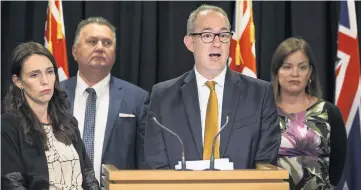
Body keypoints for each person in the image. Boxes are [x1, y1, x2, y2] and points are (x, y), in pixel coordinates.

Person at [144, 4, 281, 169]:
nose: (217, 43)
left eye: (223, 35)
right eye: (207, 35)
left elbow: (265, 163)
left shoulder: (260, 94)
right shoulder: (163, 96)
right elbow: (156, 164)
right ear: (190, 43)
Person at [60, 17, 150, 181]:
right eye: (92, 41)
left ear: (114, 54)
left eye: (107, 43)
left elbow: (145, 162)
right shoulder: (54, 95)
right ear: (74, 51)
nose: (100, 48)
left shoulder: (137, 98)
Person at [1, 42, 99, 189]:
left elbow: (89, 176)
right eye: (34, 75)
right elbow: (12, 183)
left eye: (49, 72)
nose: (45, 81)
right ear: (18, 81)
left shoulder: (68, 122)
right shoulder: (8, 126)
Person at [270, 37, 347, 189]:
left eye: (302, 67)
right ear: (277, 71)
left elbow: (336, 169)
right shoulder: (263, 112)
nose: (295, 73)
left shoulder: (329, 112)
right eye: (287, 67)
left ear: (310, 72)